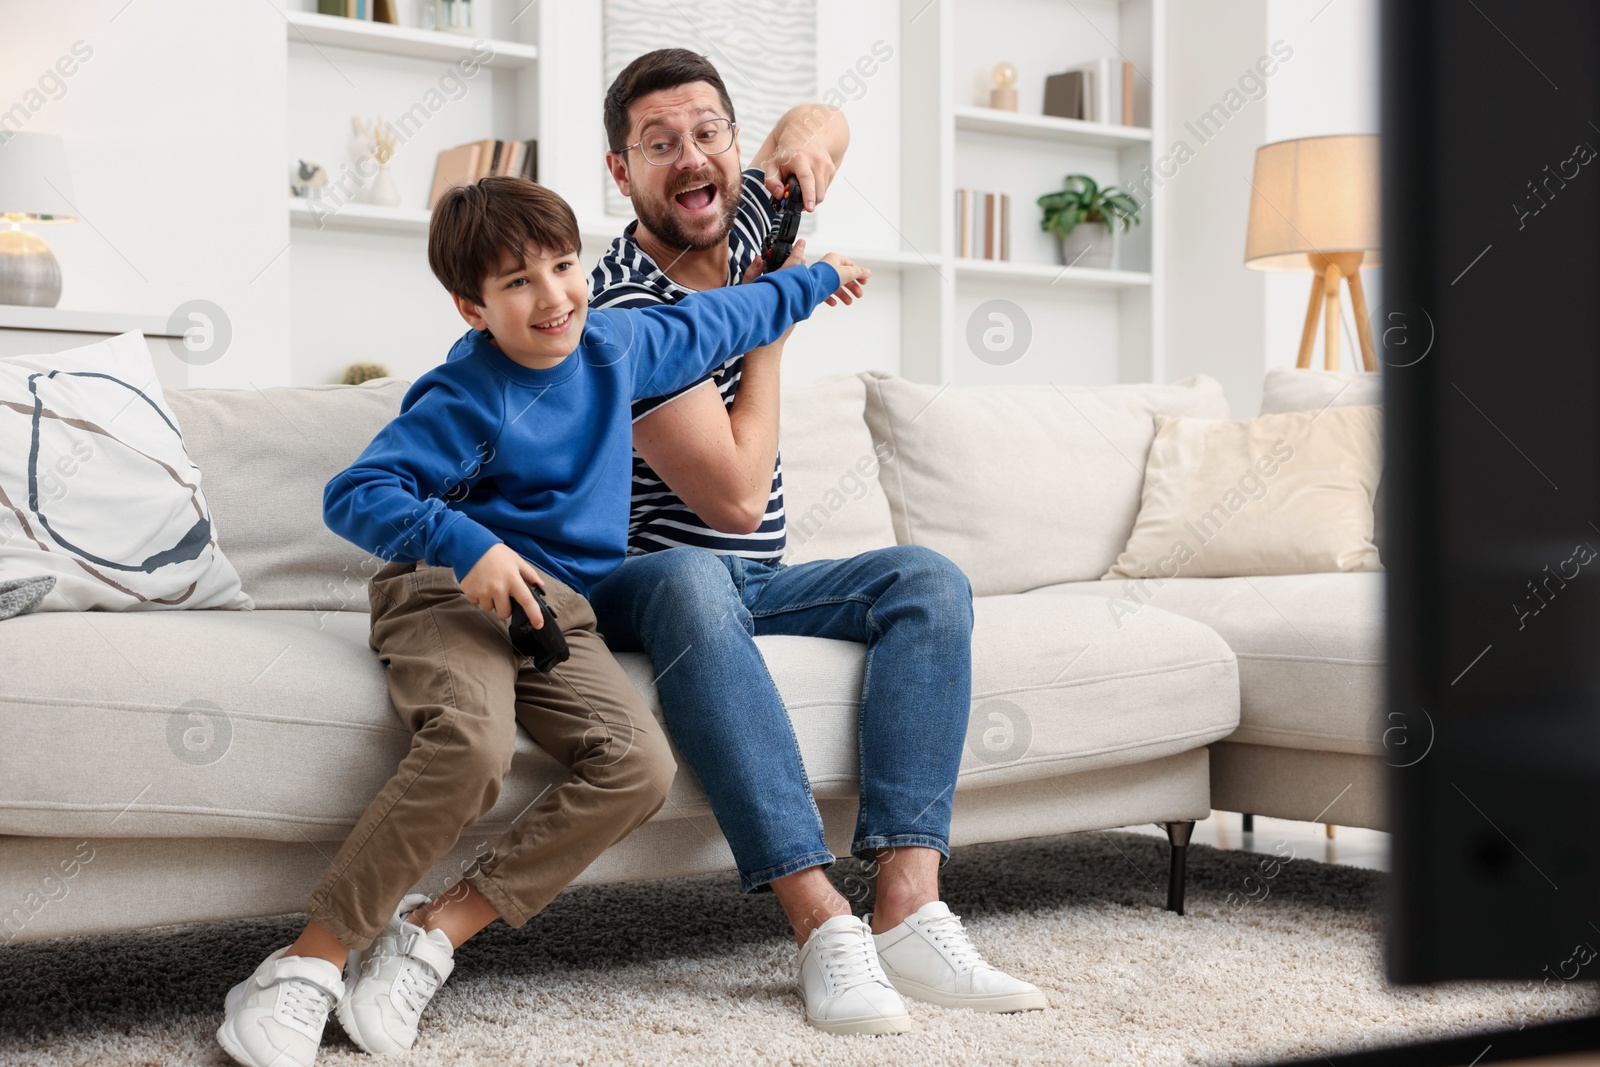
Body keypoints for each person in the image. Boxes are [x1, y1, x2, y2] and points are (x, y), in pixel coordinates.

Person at [215, 175, 870, 1067]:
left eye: (562, 266)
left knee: (637, 767)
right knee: (471, 746)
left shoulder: (619, 344)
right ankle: (305, 964)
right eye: (518, 281)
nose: (553, 296)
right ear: (472, 305)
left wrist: (814, 277)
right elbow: (357, 493)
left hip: (561, 613)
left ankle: (435, 934)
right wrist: (467, 542)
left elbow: (731, 319)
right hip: (448, 589)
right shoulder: (466, 392)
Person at [587, 48, 1048, 1035]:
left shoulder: (745, 212)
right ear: (620, 173)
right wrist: (776, 317)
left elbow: (823, 121)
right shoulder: (625, 308)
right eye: (658, 144)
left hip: (751, 585)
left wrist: (802, 145)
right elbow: (735, 502)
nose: (690, 158)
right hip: (638, 581)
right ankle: (821, 923)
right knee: (695, 577)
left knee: (925, 580)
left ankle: (908, 906)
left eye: (708, 133)